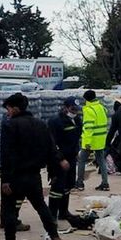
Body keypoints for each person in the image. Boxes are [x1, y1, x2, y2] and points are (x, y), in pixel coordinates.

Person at [0, 93, 69, 240]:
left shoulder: (10, 125)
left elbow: (6, 154)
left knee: (10, 209)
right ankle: (55, 238)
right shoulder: (40, 124)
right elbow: (51, 147)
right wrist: (58, 164)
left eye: (9, 109)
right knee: (41, 206)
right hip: (34, 175)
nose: (7, 112)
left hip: (14, 176)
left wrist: (5, 179)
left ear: (16, 108)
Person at [47, 96, 83, 225]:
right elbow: (51, 143)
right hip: (58, 160)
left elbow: (77, 138)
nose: (75, 112)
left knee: (68, 186)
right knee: (57, 187)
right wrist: (60, 159)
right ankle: (52, 215)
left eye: (77, 109)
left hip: (72, 158)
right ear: (66, 107)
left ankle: (63, 212)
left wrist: (77, 151)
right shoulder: (56, 121)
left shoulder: (77, 120)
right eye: (73, 109)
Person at [76, 90, 109, 192]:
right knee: (101, 161)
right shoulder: (102, 108)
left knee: (81, 160)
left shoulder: (88, 110)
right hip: (101, 139)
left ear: (86, 99)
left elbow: (88, 128)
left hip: (91, 140)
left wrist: (86, 143)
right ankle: (105, 183)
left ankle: (80, 183)